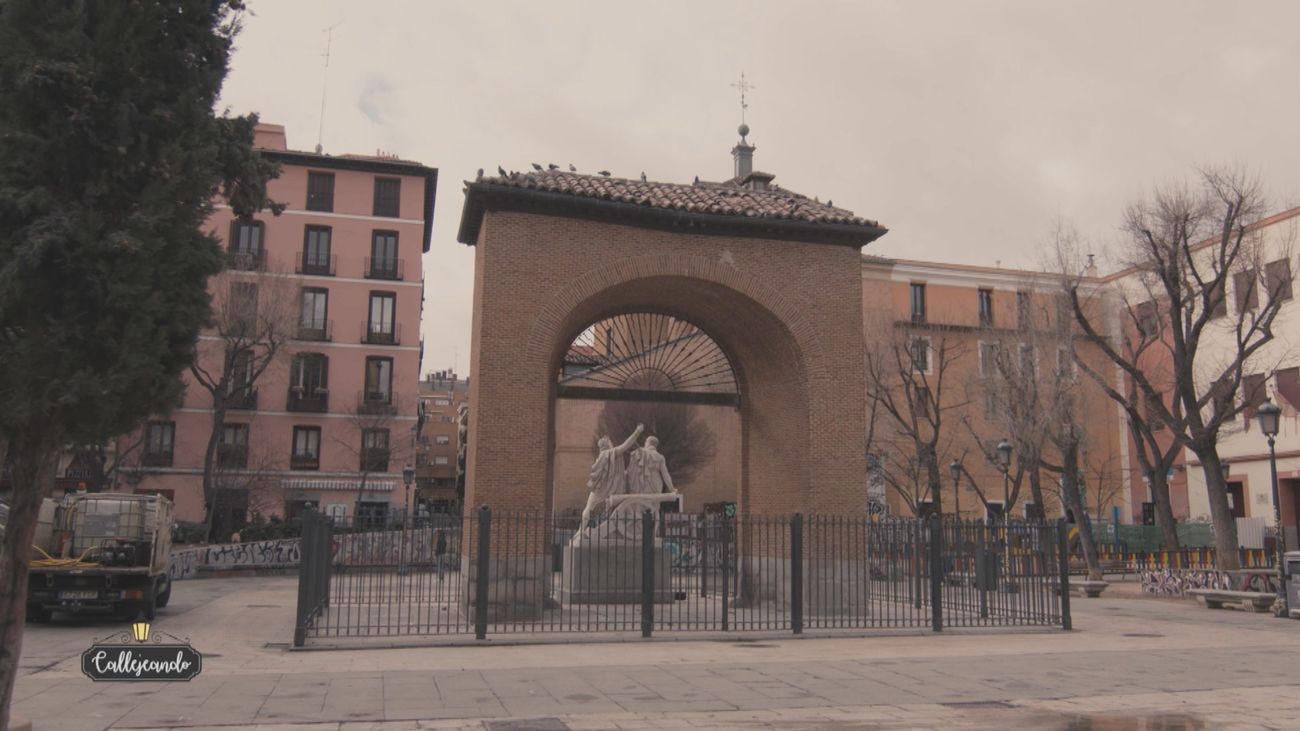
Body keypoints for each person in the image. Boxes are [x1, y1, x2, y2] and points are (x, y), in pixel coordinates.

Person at [575, 423, 643, 543]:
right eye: (610, 442)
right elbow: (626, 445)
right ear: (607, 444)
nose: (611, 443)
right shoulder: (611, 453)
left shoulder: (600, 456)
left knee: (588, 508)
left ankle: (581, 530)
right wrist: (637, 431)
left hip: (598, 490)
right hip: (612, 489)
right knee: (623, 504)